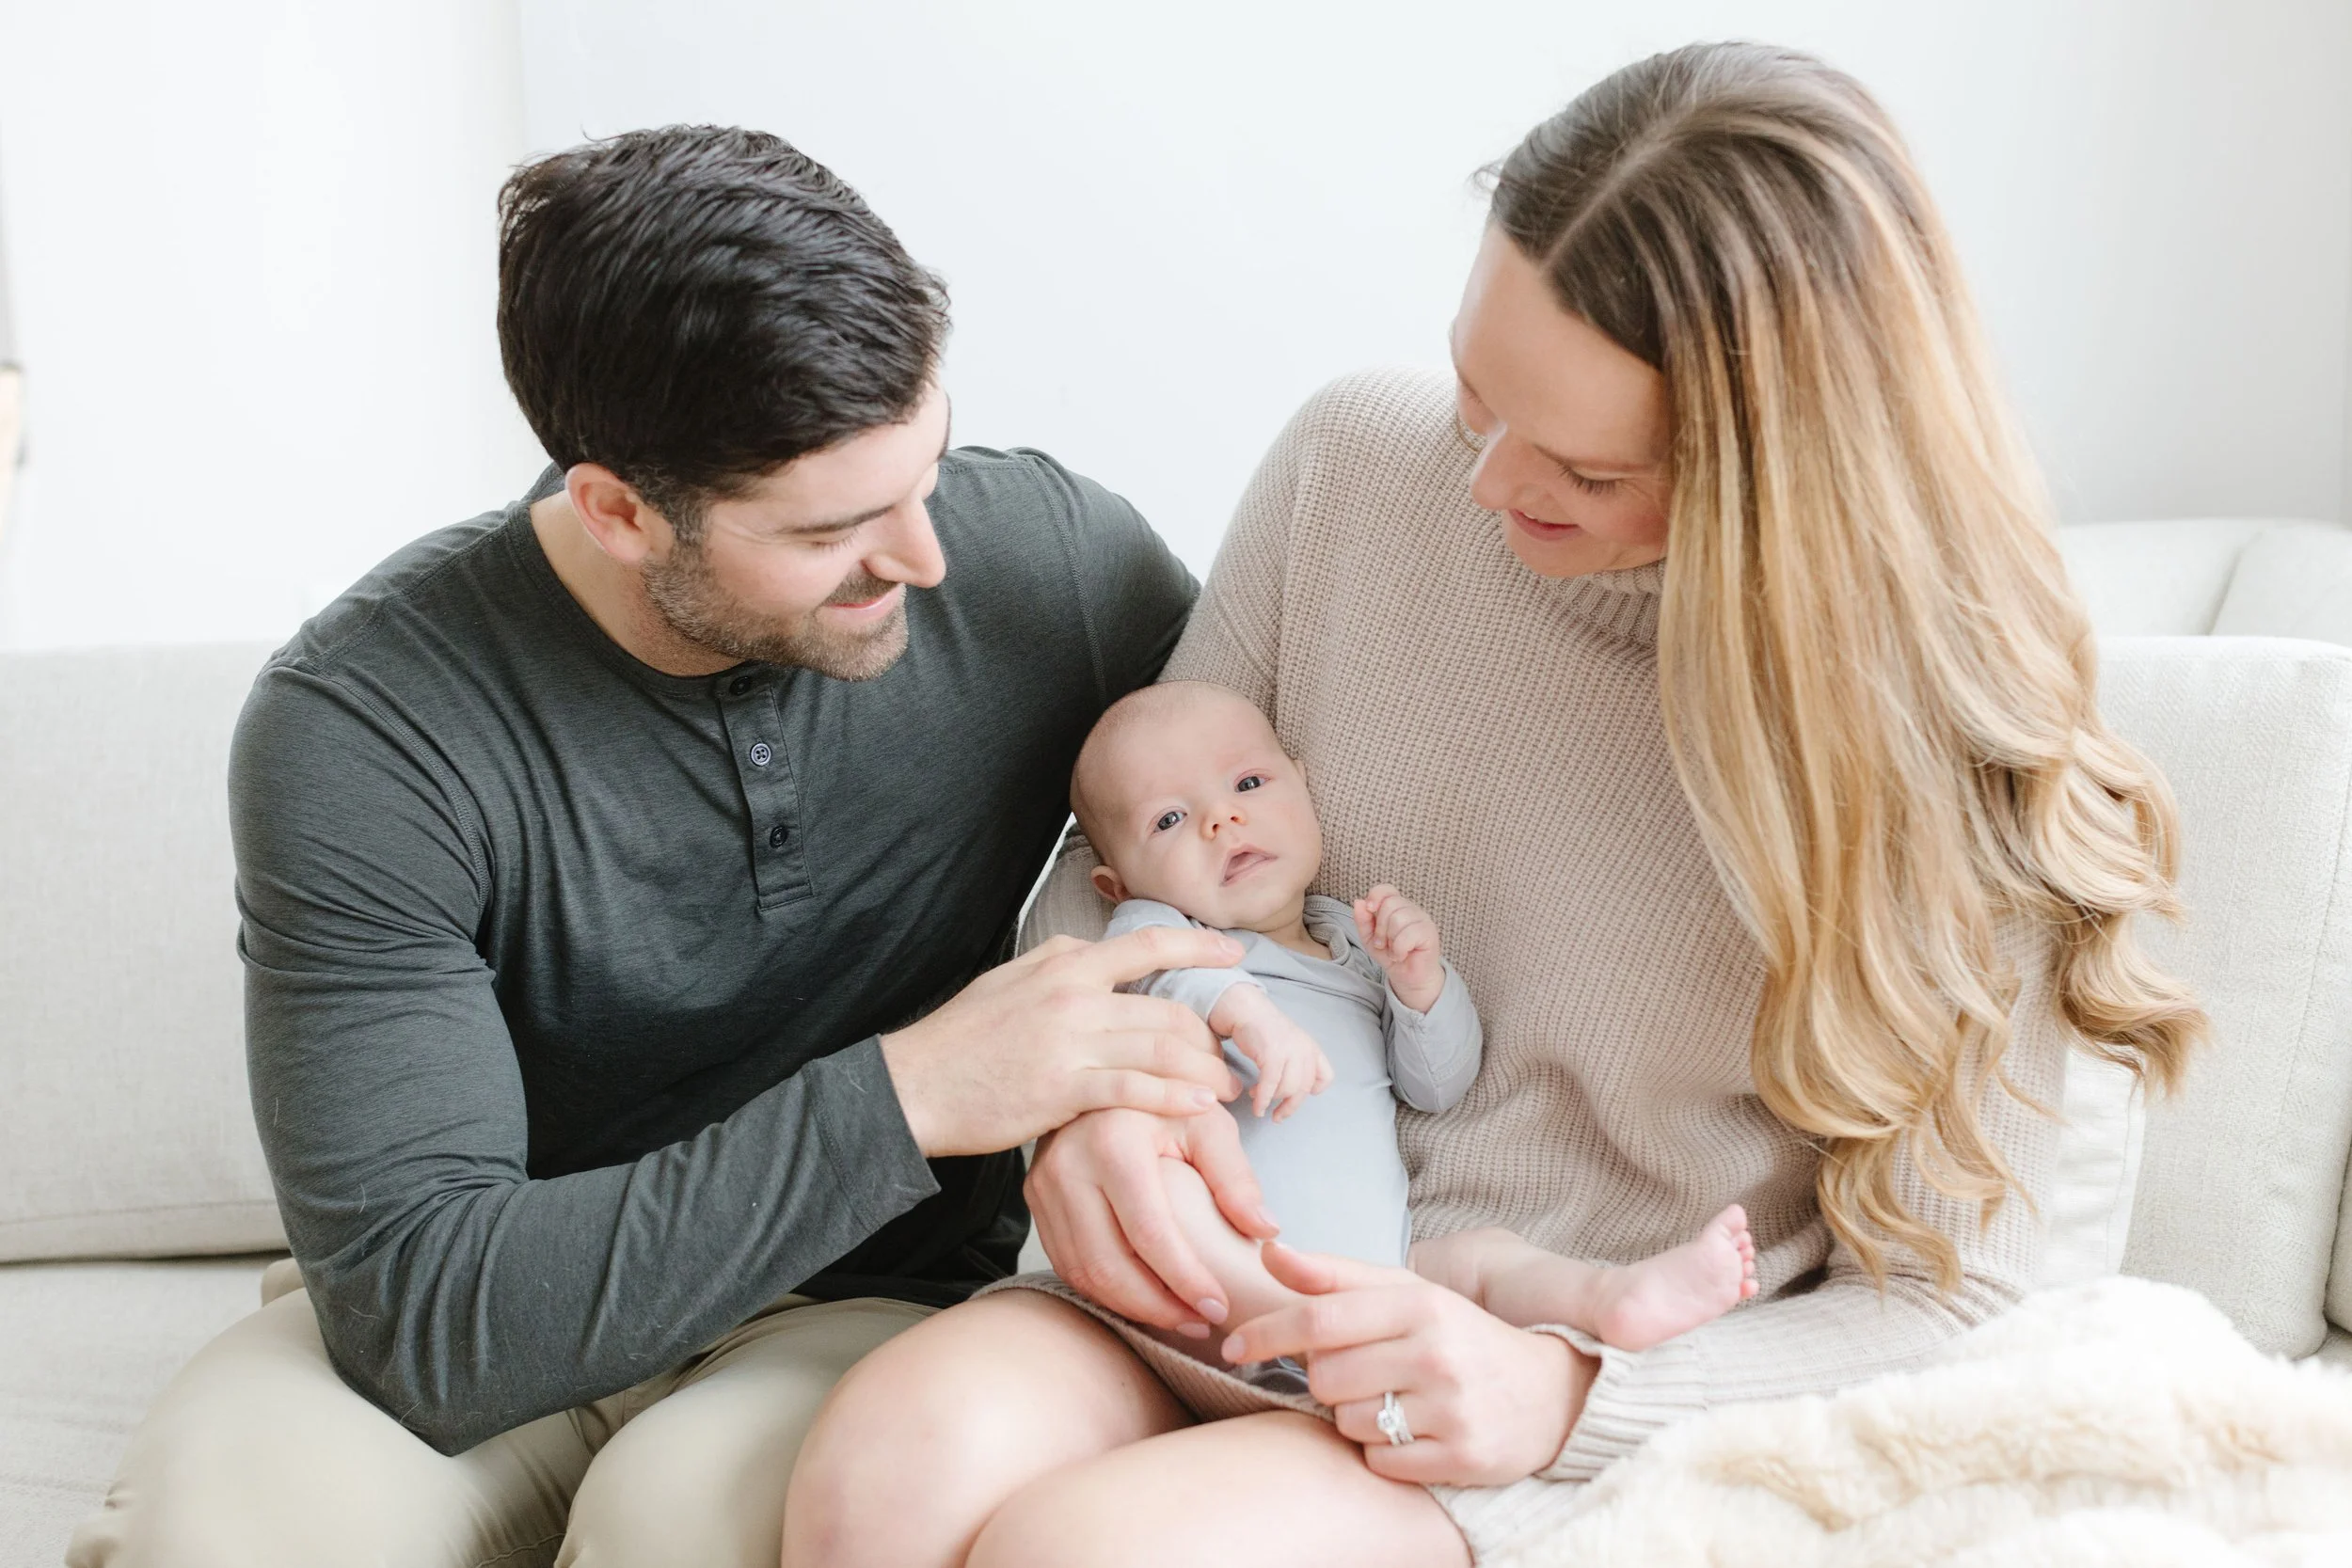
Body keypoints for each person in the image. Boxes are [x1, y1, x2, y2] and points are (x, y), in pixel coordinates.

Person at [781, 41, 2208, 1568]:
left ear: (1782, 480)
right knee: (883, 1479)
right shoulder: (1350, 466)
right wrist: (1091, 1098)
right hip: (1193, 1290)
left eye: (1581, 469)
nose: (1482, 481)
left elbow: (1967, 1297)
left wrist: (1569, 1386)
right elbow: (1120, 850)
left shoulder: (1951, 750)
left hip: (1496, 1370)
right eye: (1477, 395)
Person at [69, 126, 1271, 1568]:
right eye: (832, 526)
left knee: (683, 1525)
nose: (924, 559)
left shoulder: (1054, 563)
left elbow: (1287, 820)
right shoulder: (364, 725)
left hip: (861, 1302)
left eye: (926, 473)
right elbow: (426, 1315)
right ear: (620, 511)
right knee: (231, 1534)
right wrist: (910, 1093)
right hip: (493, 1301)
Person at [1070, 677, 1757, 1388]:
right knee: (1161, 1188)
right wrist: (1251, 1016)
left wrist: (1419, 986)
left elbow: (1437, 1087)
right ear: (1118, 885)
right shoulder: (1165, 934)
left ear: (1303, 789)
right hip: (1209, 1295)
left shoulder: (1349, 940)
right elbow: (1165, 971)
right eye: (1170, 820)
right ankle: (1304, 1330)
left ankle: (1611, 1298)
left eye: (1248, 782)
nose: (1222, 818)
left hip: (1376, 1266)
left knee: (1485, 1258)